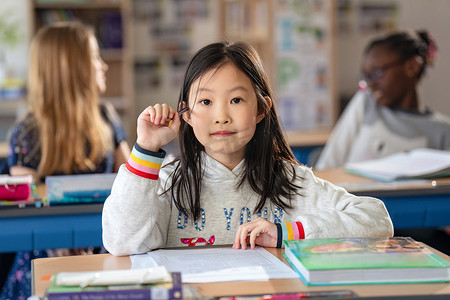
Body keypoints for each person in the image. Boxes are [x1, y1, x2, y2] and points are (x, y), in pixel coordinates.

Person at [102, 41, 393, 256]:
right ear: (186, 116)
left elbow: (377, 219)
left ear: (261, 109)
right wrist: (145, 151)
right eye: (206, 102)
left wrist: (287, 233)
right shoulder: (167, 181)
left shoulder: (290, 180)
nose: (221, 116)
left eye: (237, 100)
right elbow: (122, 242)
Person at [1, 22, 130, 299]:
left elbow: (134, 184)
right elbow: (26, 209)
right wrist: (56, 239)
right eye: (95, 56)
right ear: (72, 68)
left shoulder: (107, 117)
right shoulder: (27, 133)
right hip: (46, 257)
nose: (103, 65)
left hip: (104, 244)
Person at [316, 29, 450, 170]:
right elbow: (327, 165)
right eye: (366, 77)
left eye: (377, 73)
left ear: (412, 67)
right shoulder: (366, 104)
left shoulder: (443, 130)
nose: (371, 84)